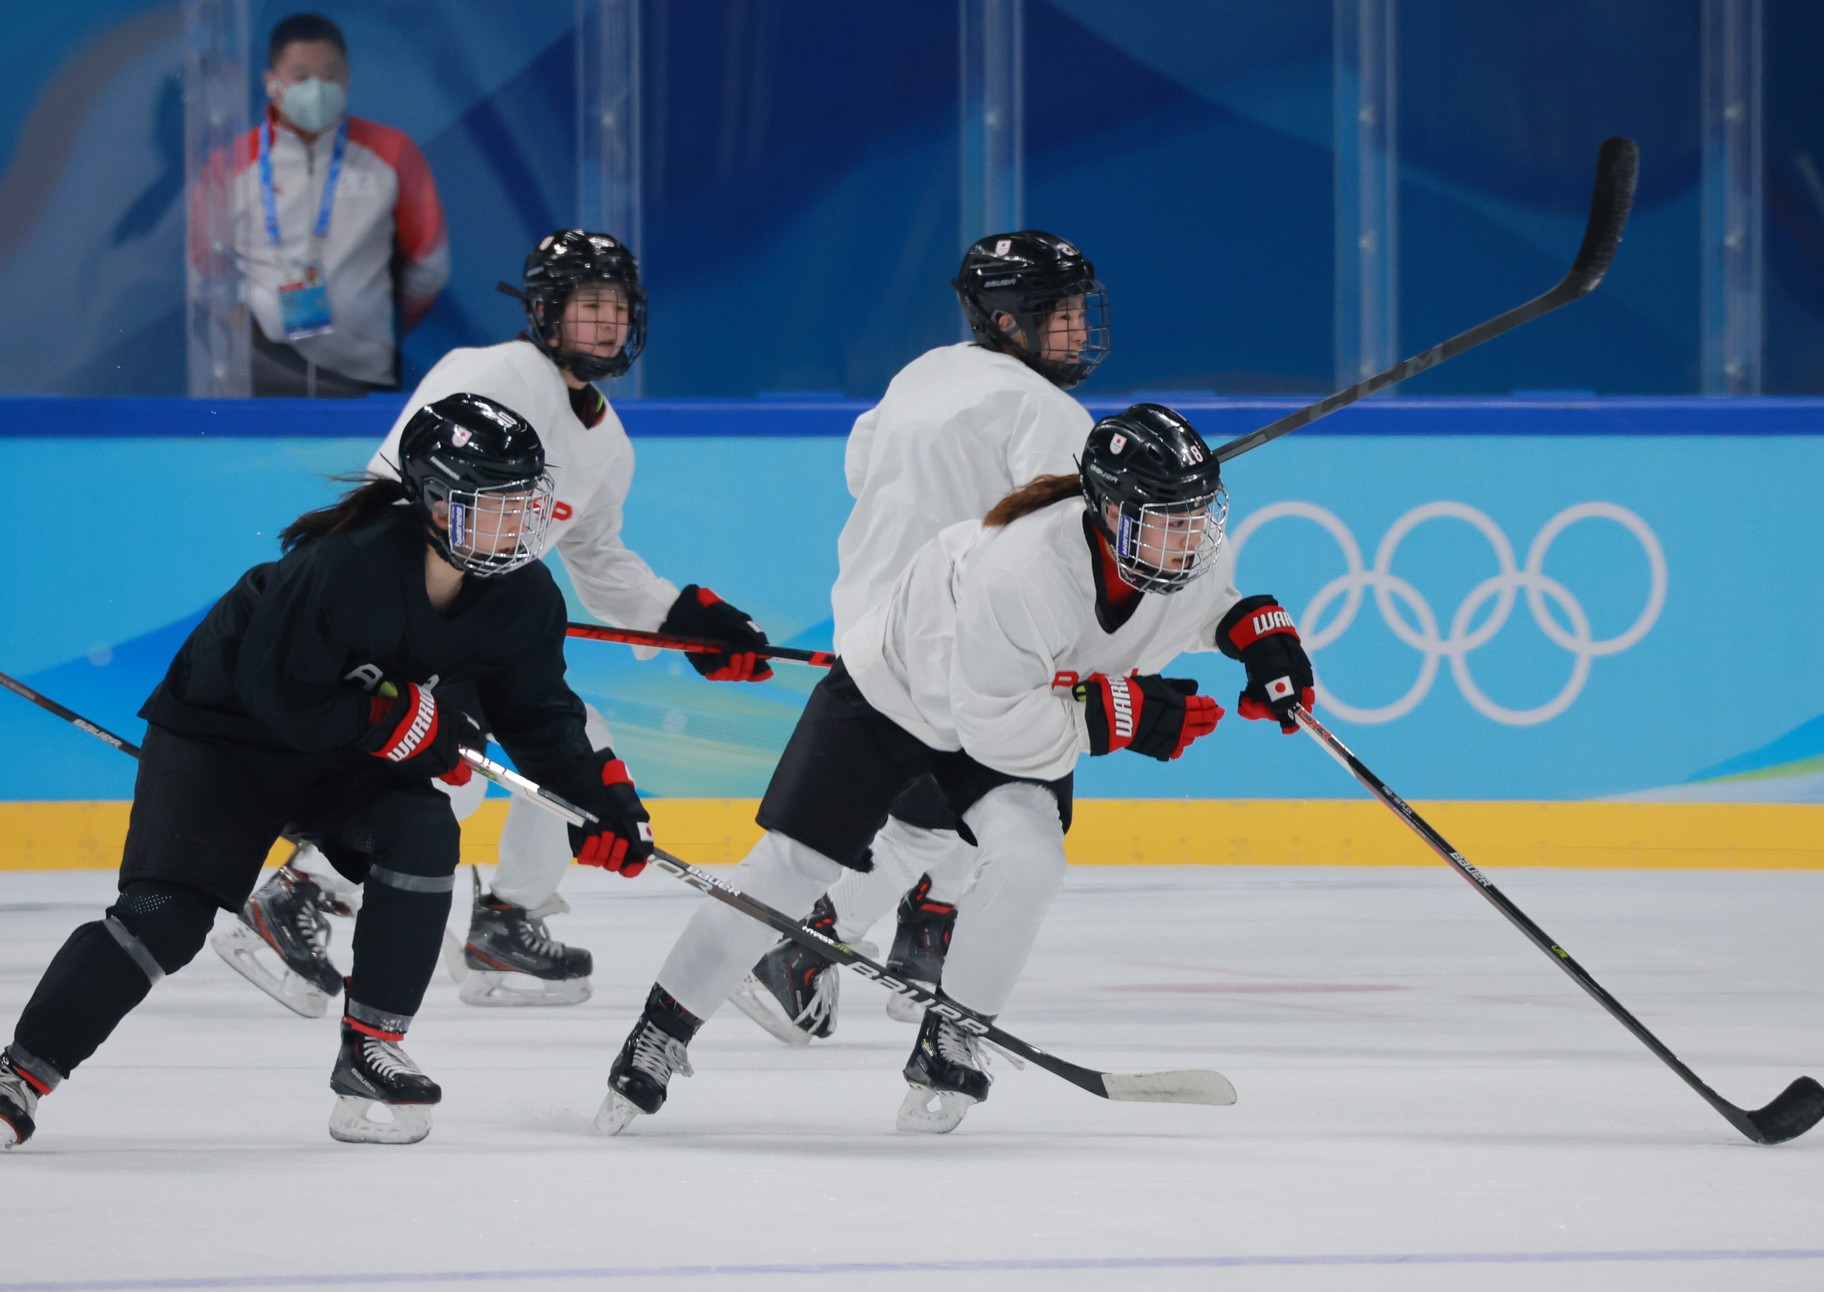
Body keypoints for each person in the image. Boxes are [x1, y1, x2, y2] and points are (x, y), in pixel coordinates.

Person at [597, 404, 1316, 1136]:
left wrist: (1255, 633)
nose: (1190, 538)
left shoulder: (1175, 550)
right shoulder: (1023, 571)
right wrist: (1115, 718)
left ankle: (952, 1037)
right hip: (897, 693)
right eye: (1170, 519)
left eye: (1198, 516)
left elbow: (1199, 607)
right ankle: (659, 1033)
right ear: (1108, 514)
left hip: (1007, 706)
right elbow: (994, 729)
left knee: (1032, 860)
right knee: (790, 867)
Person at [0, 394, 657, 1149]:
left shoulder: (523, 598)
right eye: (494, 504)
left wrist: (601, 803)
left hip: (339, 756)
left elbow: (539, 713)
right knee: (165, 921)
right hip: (225, 740)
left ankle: (369, 1047)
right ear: (437, 501)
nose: (518, 525)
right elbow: (276, 693)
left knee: (421, 829)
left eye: (525, 504)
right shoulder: (347, 565)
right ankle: (21, 1072)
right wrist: (393, 720)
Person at [211, 229, 774, 1014]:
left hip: (474, 629)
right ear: (543, 311)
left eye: (619, 307)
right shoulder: (491, 375)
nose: (608, 324)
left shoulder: (607, 439)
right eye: (589, 307)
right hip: (409, 623)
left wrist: (684, 620)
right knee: (456, 774)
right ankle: (300, 895)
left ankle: (508, 919)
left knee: (582, 741)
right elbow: (401, 495)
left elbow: (599, 560)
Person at [729, 230, 1109, 1047]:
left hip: (872, 629)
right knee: (984, 799)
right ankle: (804, 945)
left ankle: (922, 937)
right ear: (1010, 322)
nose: (1079, 328)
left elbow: (862, 472)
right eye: (1063, 313)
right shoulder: (1049, 412)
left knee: (954, 807)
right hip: (951, 644)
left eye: (1080, 310)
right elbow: (1064, 545)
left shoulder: (924, 372)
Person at [205, 13, 450, 396]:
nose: (316, 89)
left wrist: (374, 321)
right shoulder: (229, 164)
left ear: (348, 78)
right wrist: (246, 331)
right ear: (271, 83)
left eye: (330, 74)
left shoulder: (393, 153)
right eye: (301, 76)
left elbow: (429, 265)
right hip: (261, 370)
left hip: (364, 369)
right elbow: (207, 269)